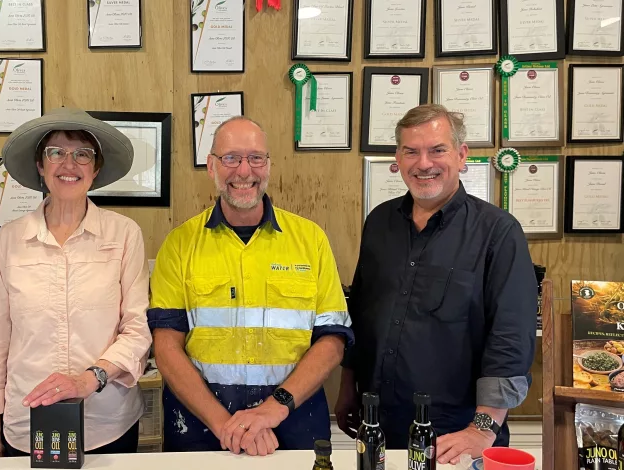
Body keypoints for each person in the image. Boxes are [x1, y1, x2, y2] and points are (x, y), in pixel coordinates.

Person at [335, 104, 537, 464]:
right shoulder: (379, 222)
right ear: (398, 158)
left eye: (437, 150)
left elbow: (511, 337)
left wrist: (483, 428)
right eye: (411, 151)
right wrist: (347, 387)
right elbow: (361, 312)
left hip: (456, 433)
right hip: (380, 424)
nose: (423, 163)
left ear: (461, 156)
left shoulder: (498, 232)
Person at [148, 116, 353, 455]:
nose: (244, 171)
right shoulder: (179, 244)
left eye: (255, 158)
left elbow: (332, 341)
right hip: (200, 427)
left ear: (269, 165)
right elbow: (166, 348)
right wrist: (225, 424)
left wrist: (273, 409)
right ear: (211, 166)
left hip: (294, 422)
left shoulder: (310, 240)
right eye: (231, 158)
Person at [0, 108, 152, 457]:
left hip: (108, 423)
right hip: (26, 422)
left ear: (96, 168)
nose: (69, 164)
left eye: (82, 154)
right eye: (56, 152)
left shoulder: (124, 235)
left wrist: (90, 379)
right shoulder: (7, 242)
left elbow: (137, 329)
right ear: (41, 166)